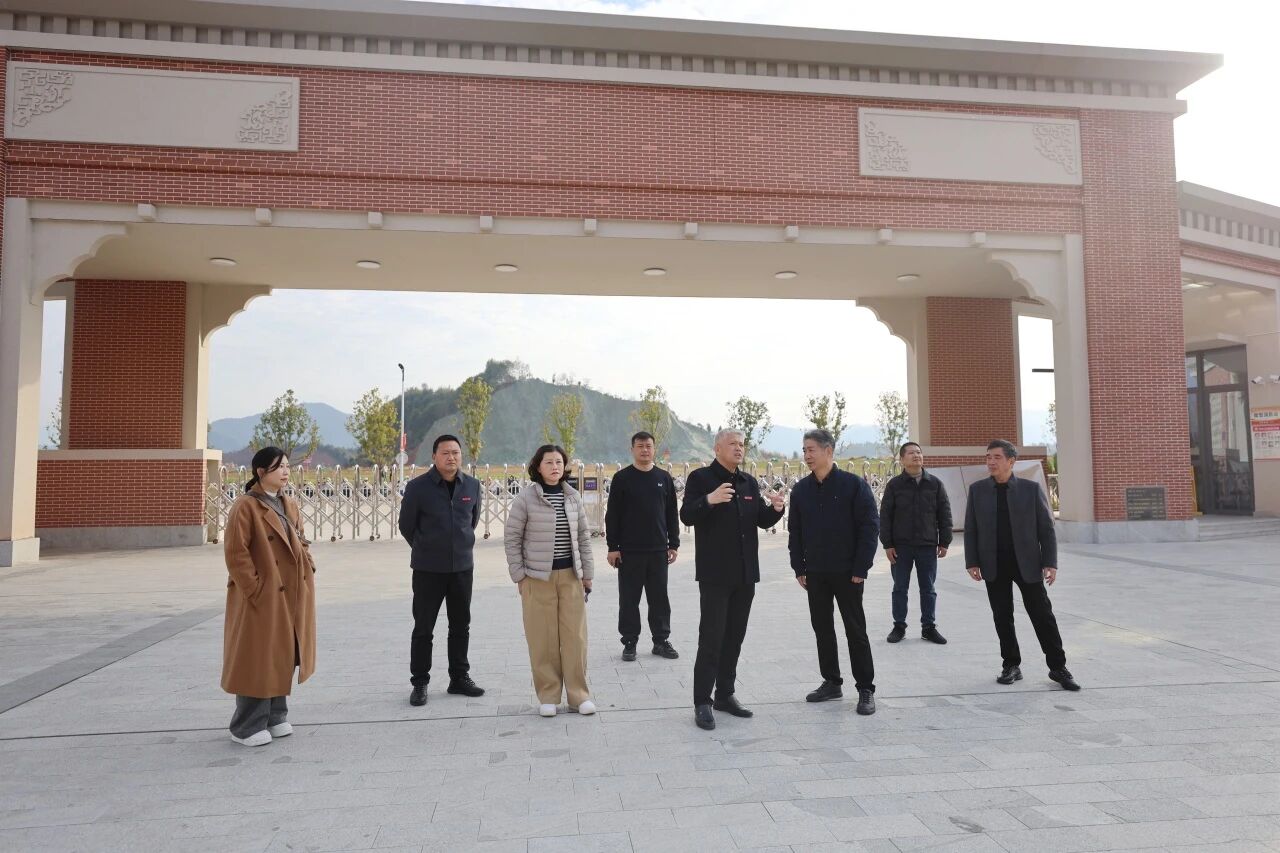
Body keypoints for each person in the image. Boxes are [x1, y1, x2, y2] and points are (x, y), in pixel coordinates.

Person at [680, 429, 784, 730]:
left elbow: (761, 519)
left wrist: (777, 509)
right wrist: (709, 500)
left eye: (742, 444)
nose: (739, 448)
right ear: (717, 448)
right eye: (733, 444)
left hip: (745, 574)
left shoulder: (747, 481)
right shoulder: (700, 479)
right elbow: (686, 515)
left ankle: (725, 695)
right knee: (711, 638)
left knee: (734, 637)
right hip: (715, 574)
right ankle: (702, 701)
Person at [965, 439, 1080, 691]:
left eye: (996, 457)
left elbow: (1046, 529)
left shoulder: (1030, 489)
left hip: (1027, 563)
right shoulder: (977, 490)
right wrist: (972, 561)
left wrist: (1050, 562)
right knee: (1002, 616)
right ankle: (1011, 665)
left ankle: (1058, 667)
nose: (991, 462)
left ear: (1011, 461)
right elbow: (971, 528)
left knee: (1042, 615)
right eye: (988, 457)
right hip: (994, 564)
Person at [222, 447, 317, 746]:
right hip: (263, 595)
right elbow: (236, 554)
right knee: (257, 658)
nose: (286, 472)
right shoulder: (245, 506)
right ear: (261, 472)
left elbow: (301, 540)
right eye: (279, 467)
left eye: (287, 466)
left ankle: (275, 716)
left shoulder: (288, 503)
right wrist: (255, 589)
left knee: (282, 653)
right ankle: (246, 726)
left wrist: (309, 565)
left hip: (290, 592)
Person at [787, 429, 879, 715]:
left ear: (829, 451)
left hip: (848, 572)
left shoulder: (854, 485)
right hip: (815, 572)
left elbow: (869, 527)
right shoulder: (801, 490)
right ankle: (831, 682)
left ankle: (865, 688)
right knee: (822, 628)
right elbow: (795, 532)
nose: (807, 455)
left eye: (811, 449)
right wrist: (799, 566)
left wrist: (861, 566)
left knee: (855, 629)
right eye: (804, 450)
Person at [504, 444, 598, 717]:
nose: (555, 467)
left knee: (575, 638)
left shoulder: (573, 497)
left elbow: (583, 538)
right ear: (538, 466)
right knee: (542, 638)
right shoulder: (526, 498)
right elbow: (512, 539)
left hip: (571, 577)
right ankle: (548, 695)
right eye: (548, 462)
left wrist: (587, 574)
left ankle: (579, 696)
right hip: (537, 578)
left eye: (559, 461)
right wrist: (519, 576)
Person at [398, 434, 485, 706]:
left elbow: (471, 521)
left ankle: (459, 677)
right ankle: (420, 682)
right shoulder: (417, 488)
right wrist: (427, 548)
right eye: (445, 453)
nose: (451, 457)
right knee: (424, 628)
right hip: (428, 570)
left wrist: (457, 547)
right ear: (434, 456)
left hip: (462, 569)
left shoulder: (472, 485)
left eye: (455, 452)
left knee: (460, 625)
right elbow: (406, 526)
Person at [605, 431, 680, 662]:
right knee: (629, 599)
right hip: (629, 551)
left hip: (658, 551)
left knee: (659, 599)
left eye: (648, 446)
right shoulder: (622, 478)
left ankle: (661, 641)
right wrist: (613, 546)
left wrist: (673, 543)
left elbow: (671, 513)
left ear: (654, 449)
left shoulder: (664, 478)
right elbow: (613, 515)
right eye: (640, 446)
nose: (645, 450)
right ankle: (630, 642)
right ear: (632, 450)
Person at [879, 441, 953, 645]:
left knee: (928, 588)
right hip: (900, 547)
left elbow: (945, 514)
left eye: (919, 452)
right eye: (911, 453)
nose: (916, 456)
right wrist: (887, 544)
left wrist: (945, 541)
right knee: (899, 588)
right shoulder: (895, 485)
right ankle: (899, 627)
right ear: (902, 459)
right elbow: (885, 516)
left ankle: (928, 627)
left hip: (927, 546)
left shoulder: (935, 484)